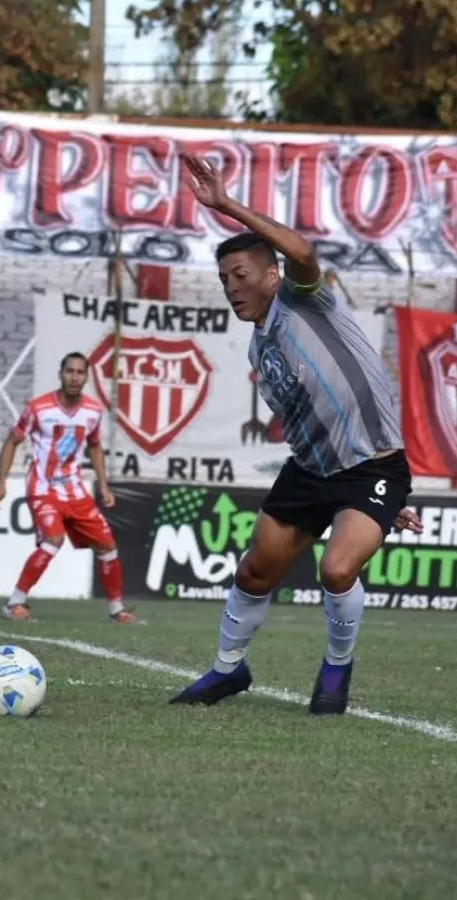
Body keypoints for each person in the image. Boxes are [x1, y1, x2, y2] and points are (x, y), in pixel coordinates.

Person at [169, 153, 424, 715]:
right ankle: (226, 671)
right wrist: (390, 509)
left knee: (336, 570)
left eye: (240, 276)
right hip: (311, 472)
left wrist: (226, 205)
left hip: (374, 468)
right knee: (254, 571)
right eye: (223, 281)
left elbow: (304, 252)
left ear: (271, 275)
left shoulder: (305, 300)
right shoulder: (261, 345)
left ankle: (336, 672)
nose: (231, 287)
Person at [0, 352, 137, 624]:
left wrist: (103, 485)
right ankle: (15, 603)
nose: (74, 377)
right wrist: (0, 484)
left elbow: (94, 446)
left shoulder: (92, 411)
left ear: (86, 377)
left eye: (80, 372)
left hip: (76, 491)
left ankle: (117, 610)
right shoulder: (38, 408)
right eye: (69, 371)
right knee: (53, 540)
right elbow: (12, 442)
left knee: (107, 546)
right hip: (43, 488)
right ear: (60, 373)